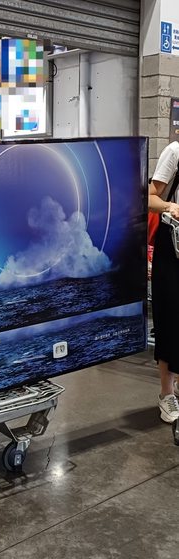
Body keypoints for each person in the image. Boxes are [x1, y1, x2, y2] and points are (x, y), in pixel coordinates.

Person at [148, 141, 179, 425]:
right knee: (170, 321)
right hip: (173, 248)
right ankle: (166, 394)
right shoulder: (175, 151)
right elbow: (149, 197)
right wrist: (170, 206)